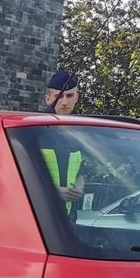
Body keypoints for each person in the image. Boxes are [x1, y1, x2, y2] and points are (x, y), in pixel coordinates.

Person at [40, 70, 85, 218]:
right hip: (38, 217)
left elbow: (81, 172)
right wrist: (54, 192)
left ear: (76, 97)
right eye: (58, 96)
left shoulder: (79, 136)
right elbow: (17, 176)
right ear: (48, 98)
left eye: (69, 96)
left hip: (67, 218)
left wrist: (79, 186)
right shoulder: (34, 132)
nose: (64, 102)